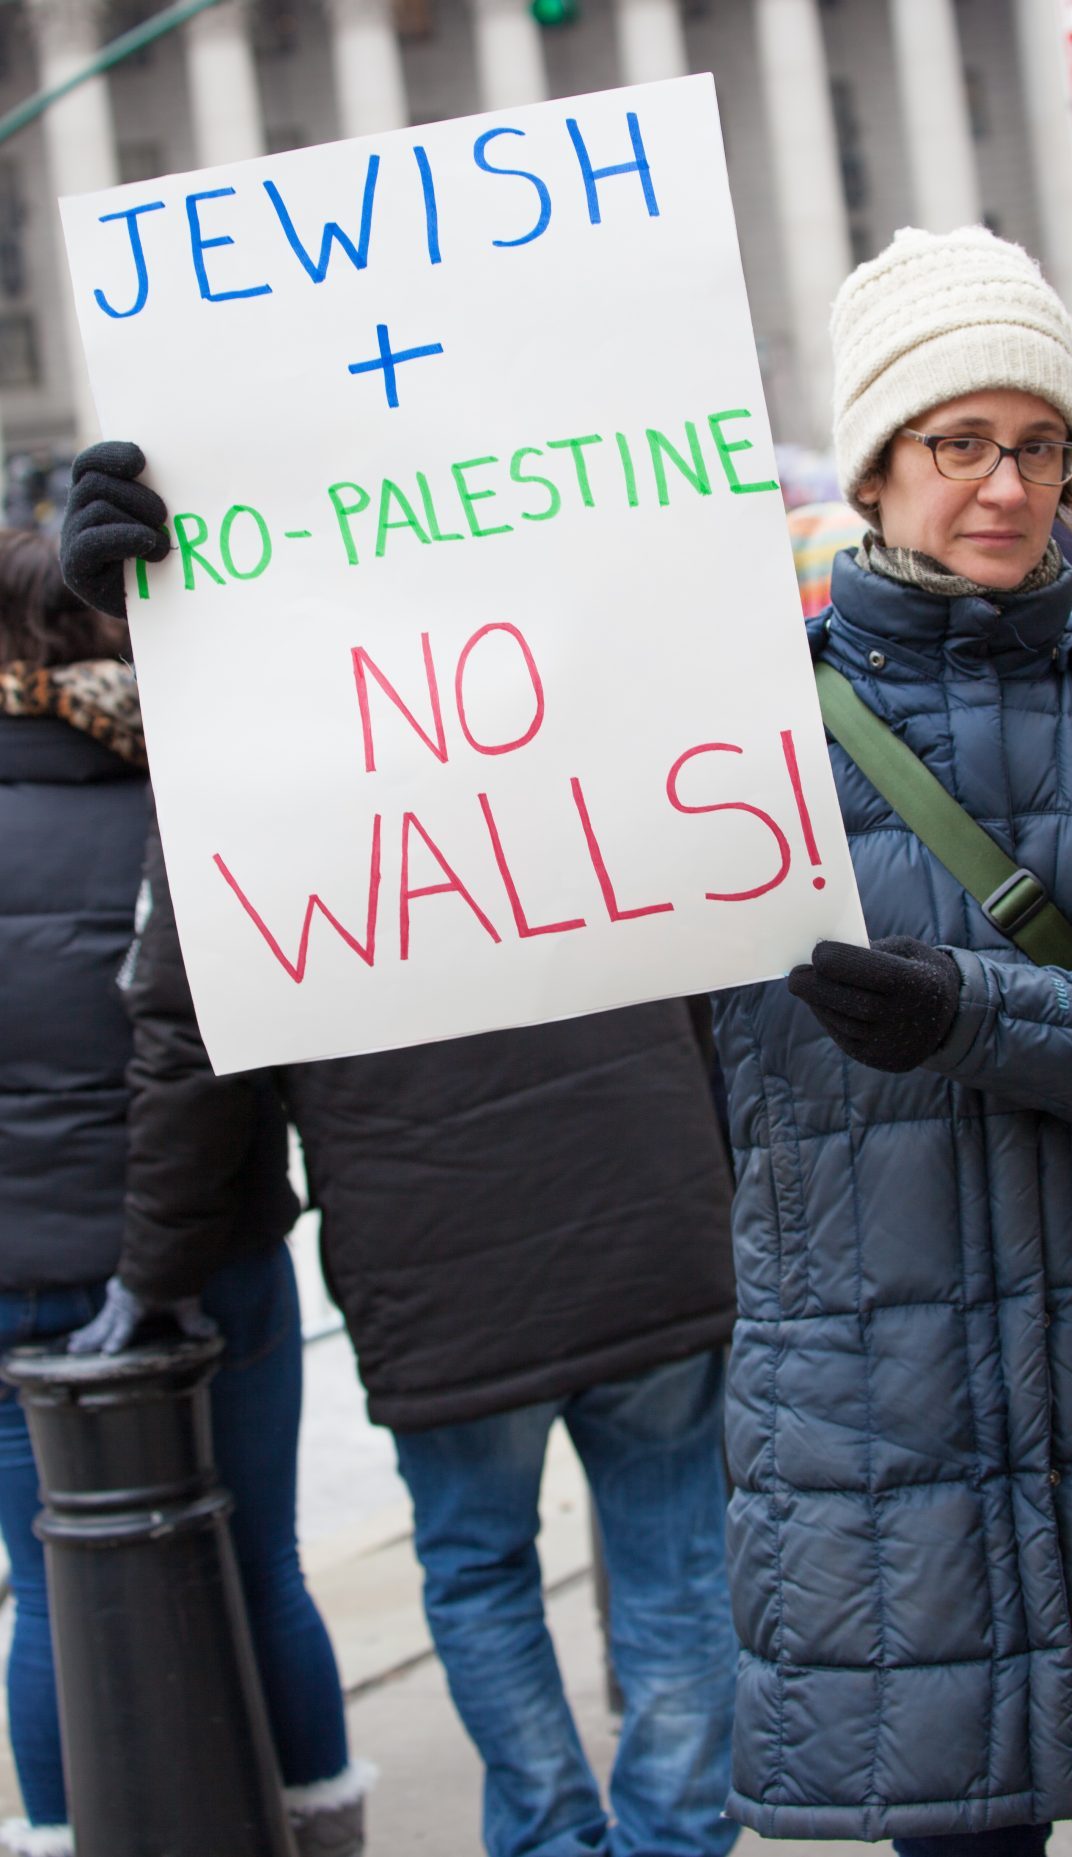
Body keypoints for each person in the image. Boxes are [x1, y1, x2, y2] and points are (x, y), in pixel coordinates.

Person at [57, 457, 742, 1857]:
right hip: (646, 1190)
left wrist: (157, 1271)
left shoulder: (241, 771)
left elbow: (187, 1049)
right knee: (678, 1556)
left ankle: (552, 1836)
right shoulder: (574, 687)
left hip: (429, 1244)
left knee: (479, 1566)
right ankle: (676, 1837)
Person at [715, 227, 1072, 1854]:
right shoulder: (736, 729)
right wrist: (199, 603)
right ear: (879, 464)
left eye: (1038, 444)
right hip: (878, 1415)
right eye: (960, 441)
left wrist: (977, 1007)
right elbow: (444, 826)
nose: (1007, 485)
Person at [0, 530, 369, 1857]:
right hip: (207, 1242)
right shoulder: (193, 802)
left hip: (8, 1277)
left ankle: (64, 1834)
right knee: (260, 1557)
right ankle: (313, 1823)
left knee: (46, 1579)